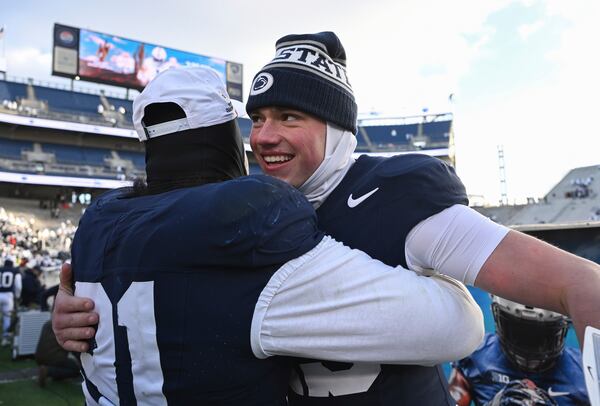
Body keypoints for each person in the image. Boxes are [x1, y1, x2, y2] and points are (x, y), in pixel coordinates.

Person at [53, 32, 600, 405]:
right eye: (259, 118)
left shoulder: (396, 196)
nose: (265, 136)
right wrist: (75, 316)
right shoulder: (234, 214)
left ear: (336, 129)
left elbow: (577, 282)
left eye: (290, 117)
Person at [65, 66, 482, 405]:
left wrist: (61, 316)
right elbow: (458, 327)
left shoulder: (99, 221)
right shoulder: (244, 222)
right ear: (227, 134)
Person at [448, 296, 589, 405]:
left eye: (539, 335)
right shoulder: (474, 354)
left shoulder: (587, 374)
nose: (529, 345)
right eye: (519, 332)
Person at [35, 319, 80, 387]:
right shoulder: (65, 327)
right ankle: (48, 371)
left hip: (39, 357)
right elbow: (72, 347)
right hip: (54, 357)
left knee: (64, 363)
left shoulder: (47, 323)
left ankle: (55, 375)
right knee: (76, 370)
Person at [0, 257, 21, 346]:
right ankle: (5, 338)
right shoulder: (15, 271)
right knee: (7, 318)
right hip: (8, 295)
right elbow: (18, 286)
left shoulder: (1, 270)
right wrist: (17, 296)